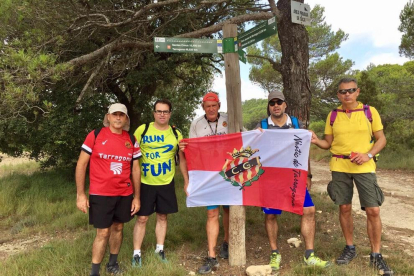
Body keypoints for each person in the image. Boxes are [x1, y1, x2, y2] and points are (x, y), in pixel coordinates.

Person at [310, 78, 392, 275]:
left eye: (351, 90)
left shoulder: (369, 112)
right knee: (344, 207)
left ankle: (376, 255)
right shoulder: (333, 115)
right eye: (342, 91)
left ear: (357, 92)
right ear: (338, 95)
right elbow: (328, 144)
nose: (347, 94)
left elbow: (381, 139)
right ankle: (350, 247)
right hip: (339, 165)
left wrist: (368, 155)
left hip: (364, 166)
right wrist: (315, 140)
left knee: (373, 210)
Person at [255, 90, 330, 271]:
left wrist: (308, 175)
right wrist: (254, 136)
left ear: (285, 104)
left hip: (294, 176)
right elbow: (252, 150)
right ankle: (275, 253)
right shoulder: (262, 125)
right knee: (271, 215)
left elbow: (305, 151)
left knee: (309, 210)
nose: (276, 106)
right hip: (271, 178)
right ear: (269, 106)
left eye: (279, 102)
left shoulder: (296, 123)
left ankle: (309, 254)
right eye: (272, 103)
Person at [76, 103, 141, 276]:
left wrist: (137, 197)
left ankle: (112, 264)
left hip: (124, 193)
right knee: (103, 232)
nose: (118, 117)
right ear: (108, 117)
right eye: (115, 114)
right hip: (101, 193)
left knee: (118, 228)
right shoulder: (96, 135)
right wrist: (80, 195)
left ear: (126, 118)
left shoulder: (131, 139)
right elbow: (82, 164)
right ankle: (94, 271)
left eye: (122, 115)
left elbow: (135, 169)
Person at [131, 99, 188, 268]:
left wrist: (186, 181)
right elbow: (131, 157)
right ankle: (136, 253)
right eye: (159, 111)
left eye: (165, 111)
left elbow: (182, 160)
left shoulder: (176, 133)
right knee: (142, 218)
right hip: (145, 182)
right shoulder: (143, 130)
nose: (162, 114)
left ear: (170, 113)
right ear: (153, 113)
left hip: (166, 182)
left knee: (163, 216)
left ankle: (160, 249)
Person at [180, 91, 229, 274]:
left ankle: (227, 243)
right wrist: (183, 149)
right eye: (207, 106)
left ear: (219, 105)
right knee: (212, 213)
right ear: (203, 107)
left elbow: (241, 138)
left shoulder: (228, 119)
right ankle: (212, 256)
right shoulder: (196, 124)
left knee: (228, 209)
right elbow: (189, 152)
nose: (211, 109)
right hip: (208, 174)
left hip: (229, 172)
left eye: (214, 105)